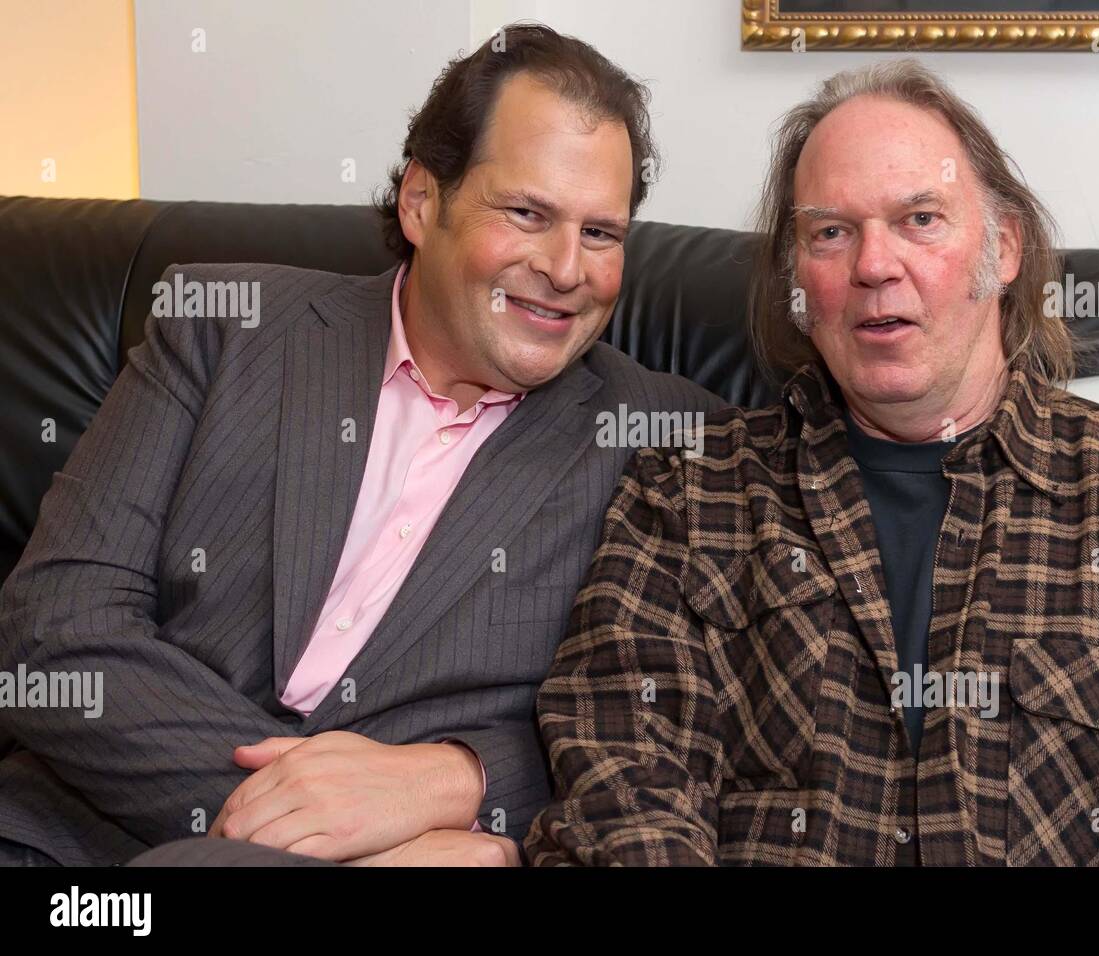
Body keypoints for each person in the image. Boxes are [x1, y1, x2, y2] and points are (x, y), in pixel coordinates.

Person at [525, 60, 1099, 866]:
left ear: (1002, 249)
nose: (874, 265)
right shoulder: (685, 496)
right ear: (797, 282)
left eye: (920, 219)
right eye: (831, 231)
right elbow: (620, 799)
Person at [0, 24, 723, 868]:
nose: (568, 270)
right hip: (69, 843)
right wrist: (308, 826)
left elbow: (677, 727)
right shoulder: (223, 327)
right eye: (527, 213)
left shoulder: (671, 441)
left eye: (602, 234)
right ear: (422, 201)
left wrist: (459, 783)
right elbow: (52, 626)